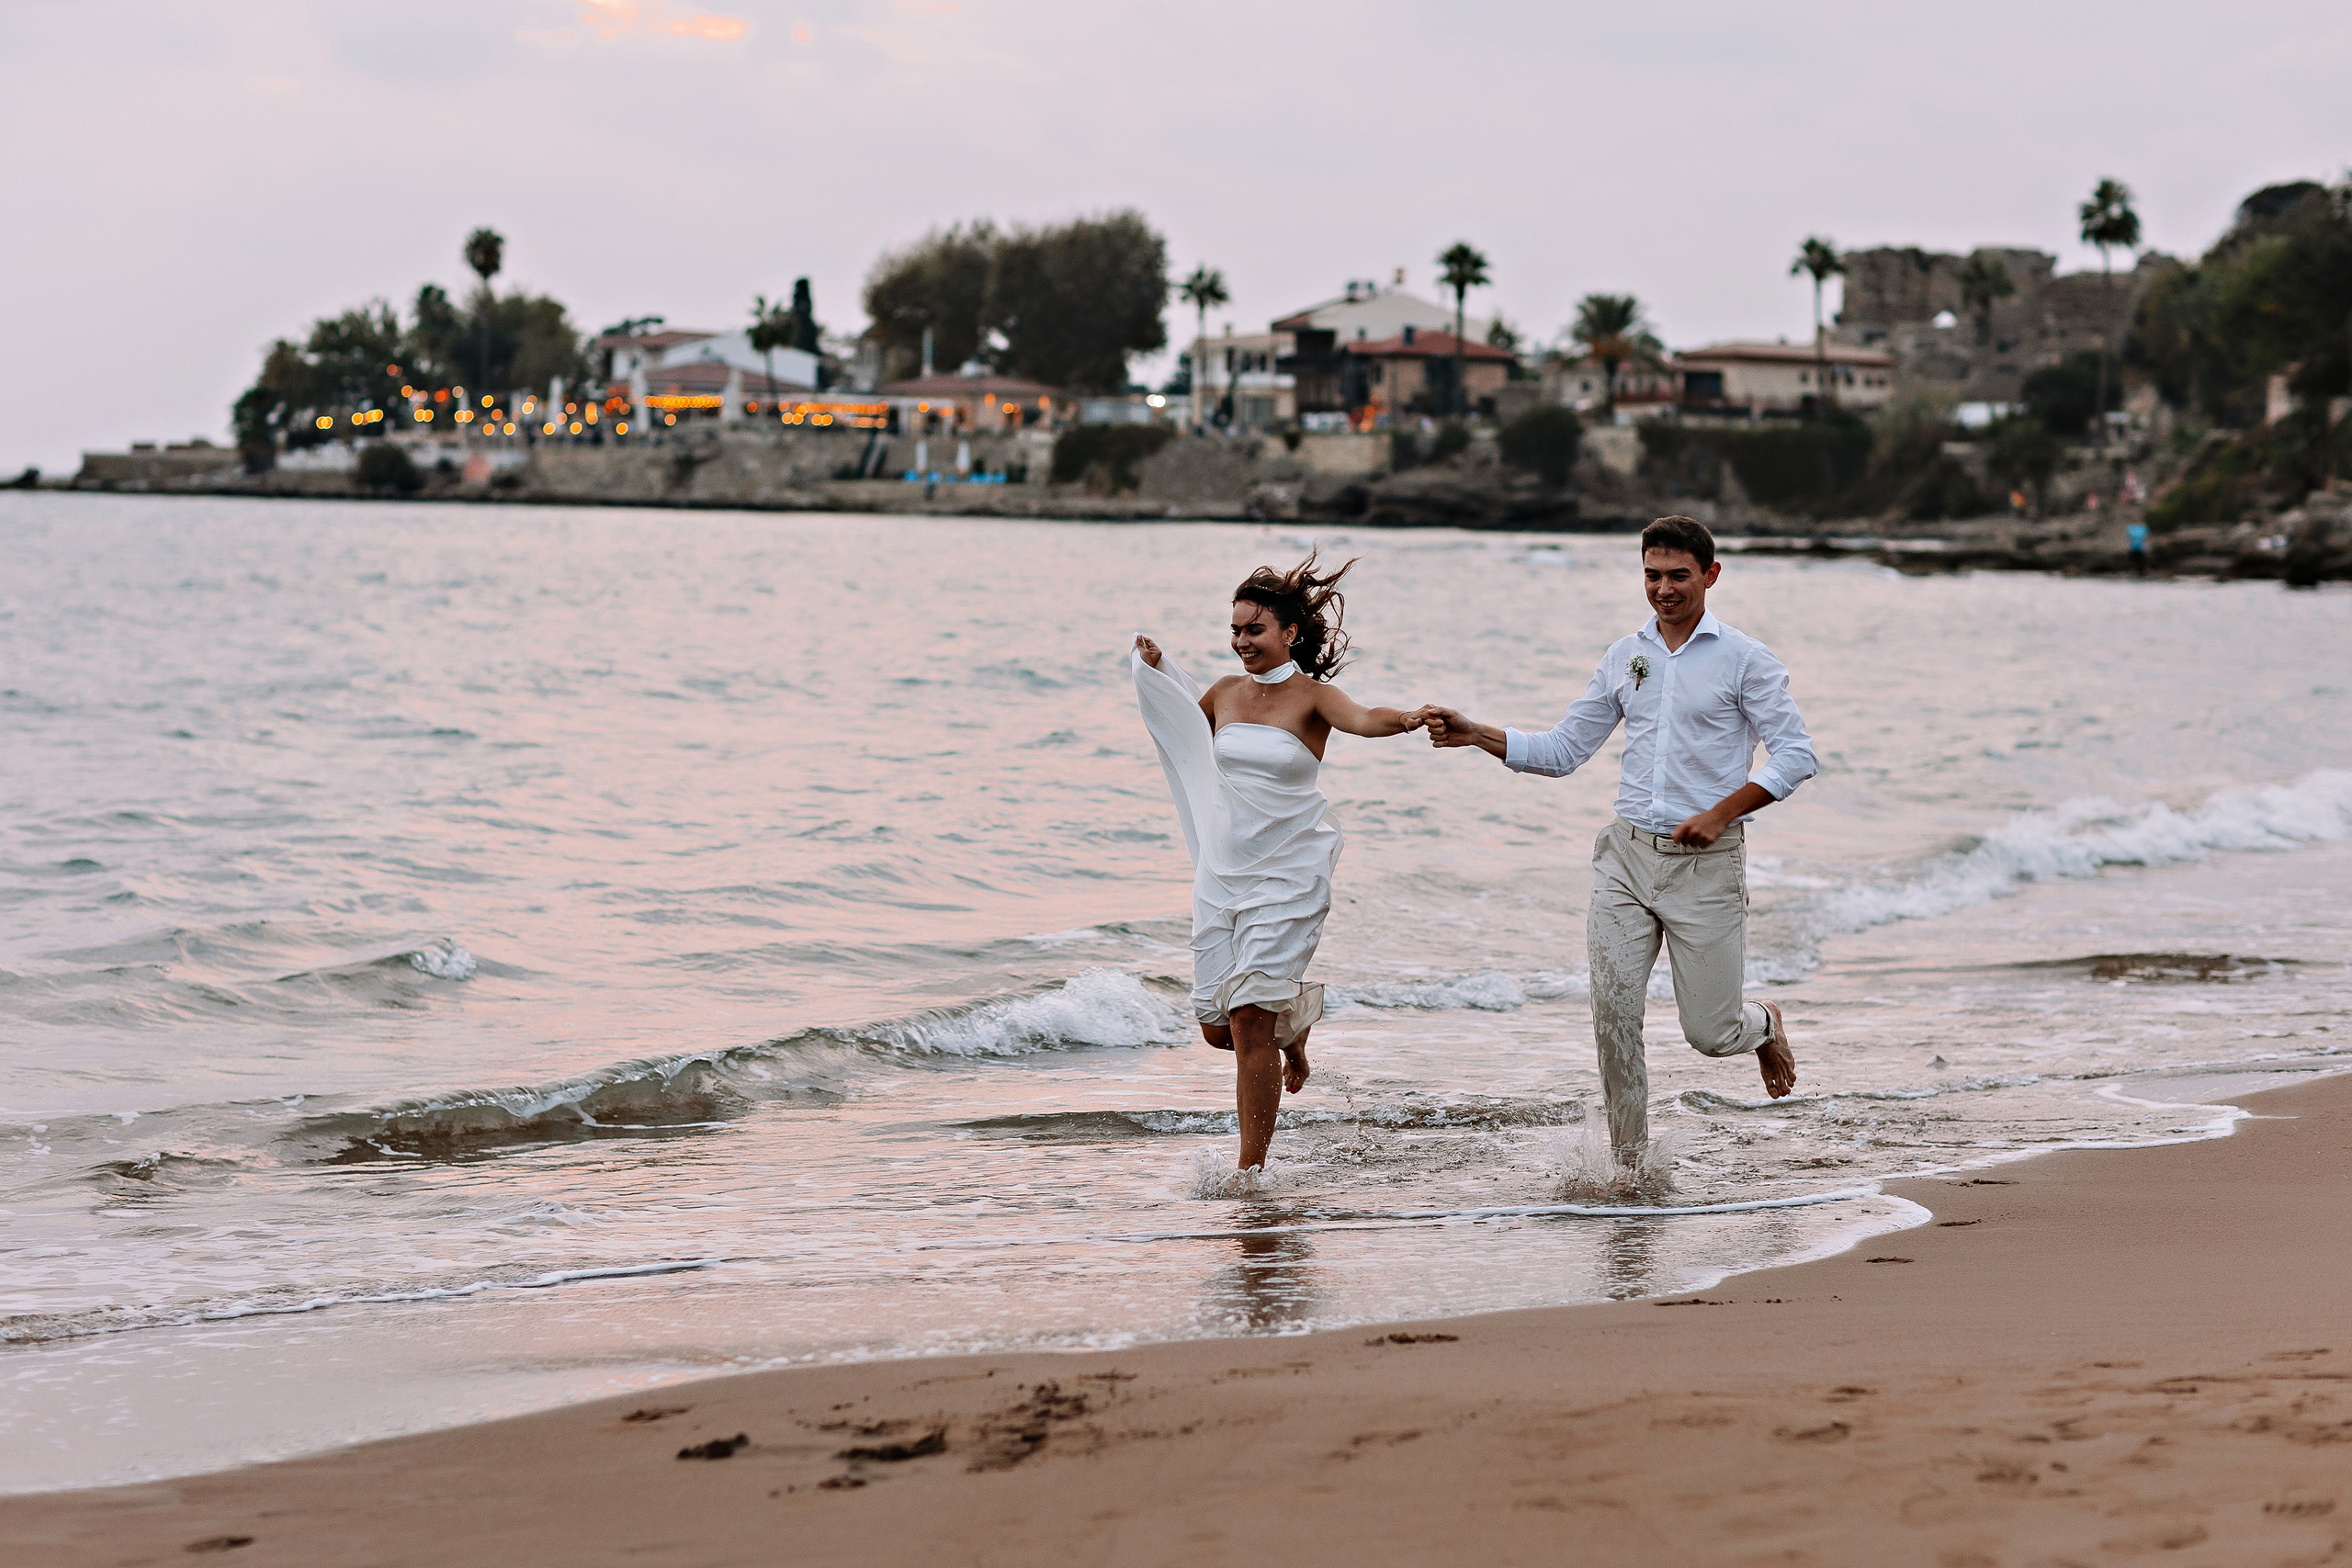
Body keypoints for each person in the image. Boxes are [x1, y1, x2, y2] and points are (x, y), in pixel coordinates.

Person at [1420, 516, 1816, 1168]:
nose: (1663, 589)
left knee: (1710, 1033)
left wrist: (1722, 813)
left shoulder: (1745, 658)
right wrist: (1474, 733)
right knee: (1613, 1019)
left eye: (1678, 575)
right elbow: (1563, 750)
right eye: (1652, 575)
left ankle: (1765, 1022)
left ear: (1711, 575)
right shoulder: (1623, 656)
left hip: (1706, 867)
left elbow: (1796, 756)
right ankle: (1630, 1168)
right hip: (1626, 860)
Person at [1133, 554, 1428, 1174]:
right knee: (1218, 1026)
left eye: (1254, 630)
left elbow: (1364, 719)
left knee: (1247, 1019)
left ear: (1289, 632)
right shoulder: (1224, 692)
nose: (1242, 641)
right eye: (1235, 630)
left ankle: (1250, 1176)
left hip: (1290, 873)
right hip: (1224, 872)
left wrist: (1405, 720)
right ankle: (1291, 1028)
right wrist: (1158, 672)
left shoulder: (1314, 698)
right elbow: (1186, 729)